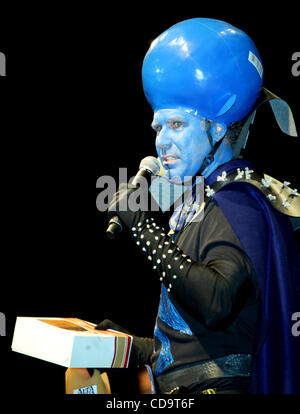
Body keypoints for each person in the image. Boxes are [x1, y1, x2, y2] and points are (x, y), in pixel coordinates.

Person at [96, 18, 300, 394]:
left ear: (218, 126)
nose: (162, 142)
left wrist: (141, 228)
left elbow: (217, 302)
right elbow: (207, 340)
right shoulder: (199, 205)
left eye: (176, 125)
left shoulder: (239, 202)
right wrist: (134, 349)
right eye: (158, 128)